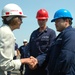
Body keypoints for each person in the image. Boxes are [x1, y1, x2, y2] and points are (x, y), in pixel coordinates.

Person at [0, 3, 36, 75]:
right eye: (20, 18)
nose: (21, 22)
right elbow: (5, 64)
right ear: (13, 19)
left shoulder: (2, 30)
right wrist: (25, 60)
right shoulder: (7, 34)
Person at [24, 9, 56, 75]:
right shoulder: (34, 33)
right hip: (31, 67)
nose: (40, 21)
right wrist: (30, 61)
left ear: (47, 20)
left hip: (43, 67)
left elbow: (50, 50)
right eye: (39, 20)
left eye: (43, 20)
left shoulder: (51, 33)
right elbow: (28, 48)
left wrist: (37, 60)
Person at [47, 9, 75, 75]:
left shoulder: (71, 34)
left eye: (57, 21)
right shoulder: (60, 36)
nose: (55, 24)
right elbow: (49, 53)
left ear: (66, 21)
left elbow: (66, 57)